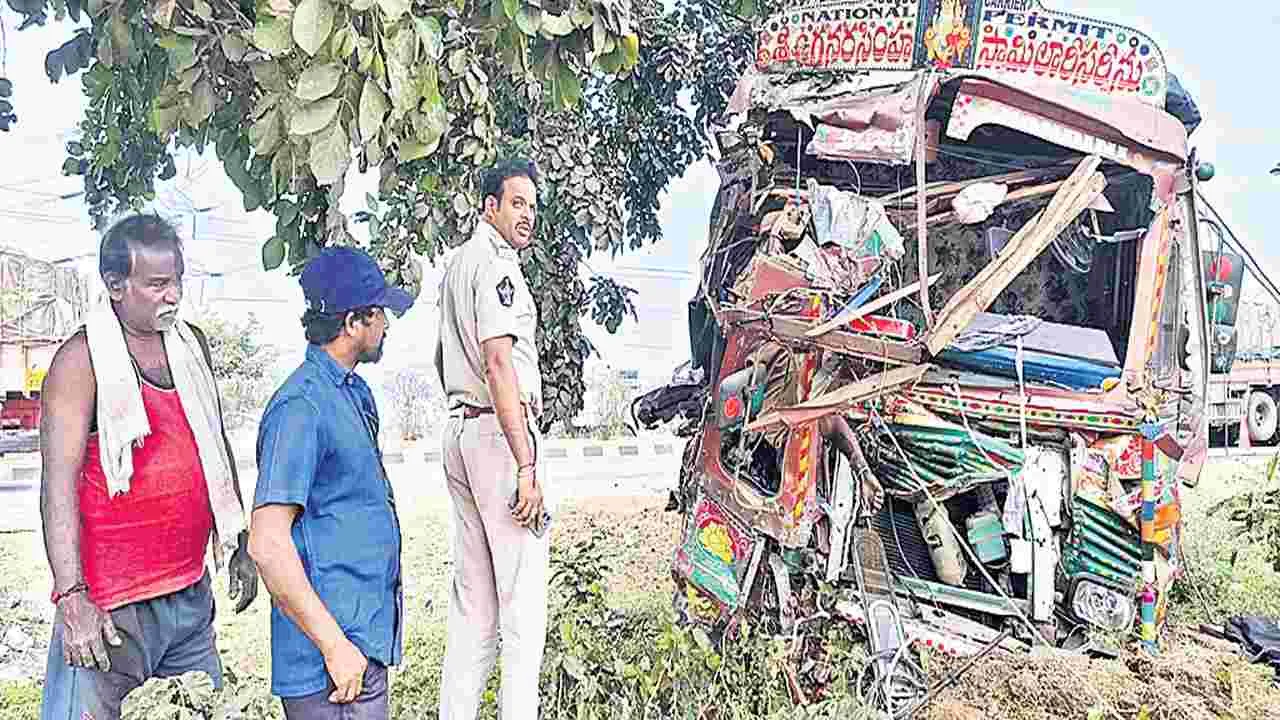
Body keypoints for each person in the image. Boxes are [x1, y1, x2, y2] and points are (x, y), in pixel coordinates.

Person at [37, 214, 258, 720]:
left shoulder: (191, 344)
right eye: (157, 284)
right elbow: (57, 488)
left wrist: (238, 540)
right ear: (115, 286)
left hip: (186, 599)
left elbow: (214, 446)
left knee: (205, 710)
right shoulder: (80, 361)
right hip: (108, 611)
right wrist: (73, 600)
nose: (174, 296)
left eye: (177, 280)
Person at [247, 246, 414, 720]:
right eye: (379, 313)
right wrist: (334, 645)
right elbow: (267, 544)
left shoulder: (352, 394)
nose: (385, 325)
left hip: (361, 642)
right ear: (353, 323)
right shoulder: (301, 408)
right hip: (331, 664)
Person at [434, 157, 549, 720]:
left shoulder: (458, 264)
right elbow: (499, 363)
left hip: (460, 428)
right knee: (523, 608)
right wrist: (526, 462)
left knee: (474, 608)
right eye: (517, 203)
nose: (527, 215)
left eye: (532, 204)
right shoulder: (497, 267)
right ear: (490, 206)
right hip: (498, 436)